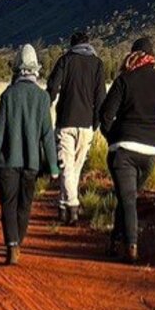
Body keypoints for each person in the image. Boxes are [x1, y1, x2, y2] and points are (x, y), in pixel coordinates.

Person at [100, 37, 155, 263]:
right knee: (128, 197)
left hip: (123, 150)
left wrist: (112, 138)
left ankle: (131, 246)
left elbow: (105, 116)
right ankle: (115, 241)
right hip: (149, 152)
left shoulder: (123, 81)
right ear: (152, 58)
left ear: (133, 55)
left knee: (126, 199)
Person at [0, 44, 60, 266]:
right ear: (35, 70)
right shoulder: (42, 98)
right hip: (32, 163)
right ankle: (18, 241)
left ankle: (11, 245)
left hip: (7, 162)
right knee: (25, 205)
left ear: (17, 69)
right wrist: (54, 167)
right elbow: (47, 135)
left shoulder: (8, 95)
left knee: (8, 204)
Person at [47, 32, 107, 226]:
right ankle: (65, 207)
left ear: (72, 45)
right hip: (87, 124)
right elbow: (100, 97)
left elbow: (53, 86)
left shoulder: (65, 60)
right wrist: (97, 122)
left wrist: (47, 104)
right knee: (75, 168)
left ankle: (70, 205)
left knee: (66, 167)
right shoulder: (97, 64)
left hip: (66, 121)